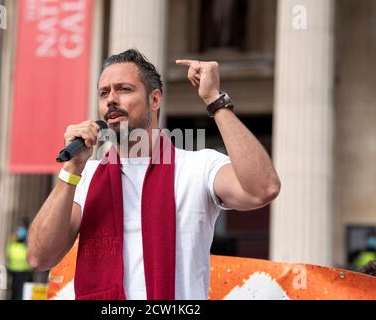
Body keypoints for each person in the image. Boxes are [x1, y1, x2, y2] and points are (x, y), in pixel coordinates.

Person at [27, 49, 281, 300]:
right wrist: (71, 170)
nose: (111, 100)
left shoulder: (198, 166)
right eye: (104, 93)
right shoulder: (85, 176)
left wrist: (215, 100)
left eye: (124, 89)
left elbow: (262, 189)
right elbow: (39, 257)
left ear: (155, 99)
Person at [6, 219, 33, 300]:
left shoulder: (28, 239)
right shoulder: (16, 239)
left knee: (21, 294)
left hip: (23, 272)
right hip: (16, 272)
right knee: (17, 293)